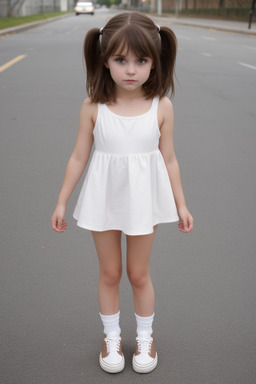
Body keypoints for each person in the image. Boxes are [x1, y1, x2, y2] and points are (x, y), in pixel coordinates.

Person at [51, 11, 193, 374]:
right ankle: (110, 336)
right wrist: (62, 200)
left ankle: (145, 338)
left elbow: (170, 159)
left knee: (138, 273)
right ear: (105, 61)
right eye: (121, 60)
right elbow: (79, 156)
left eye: (141, 61)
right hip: (104, 199)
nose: (131, 70)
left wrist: (181, 204)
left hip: (145, 202)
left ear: (155, 62)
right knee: (110, 272)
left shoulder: (162, 107)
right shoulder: (92, 107)